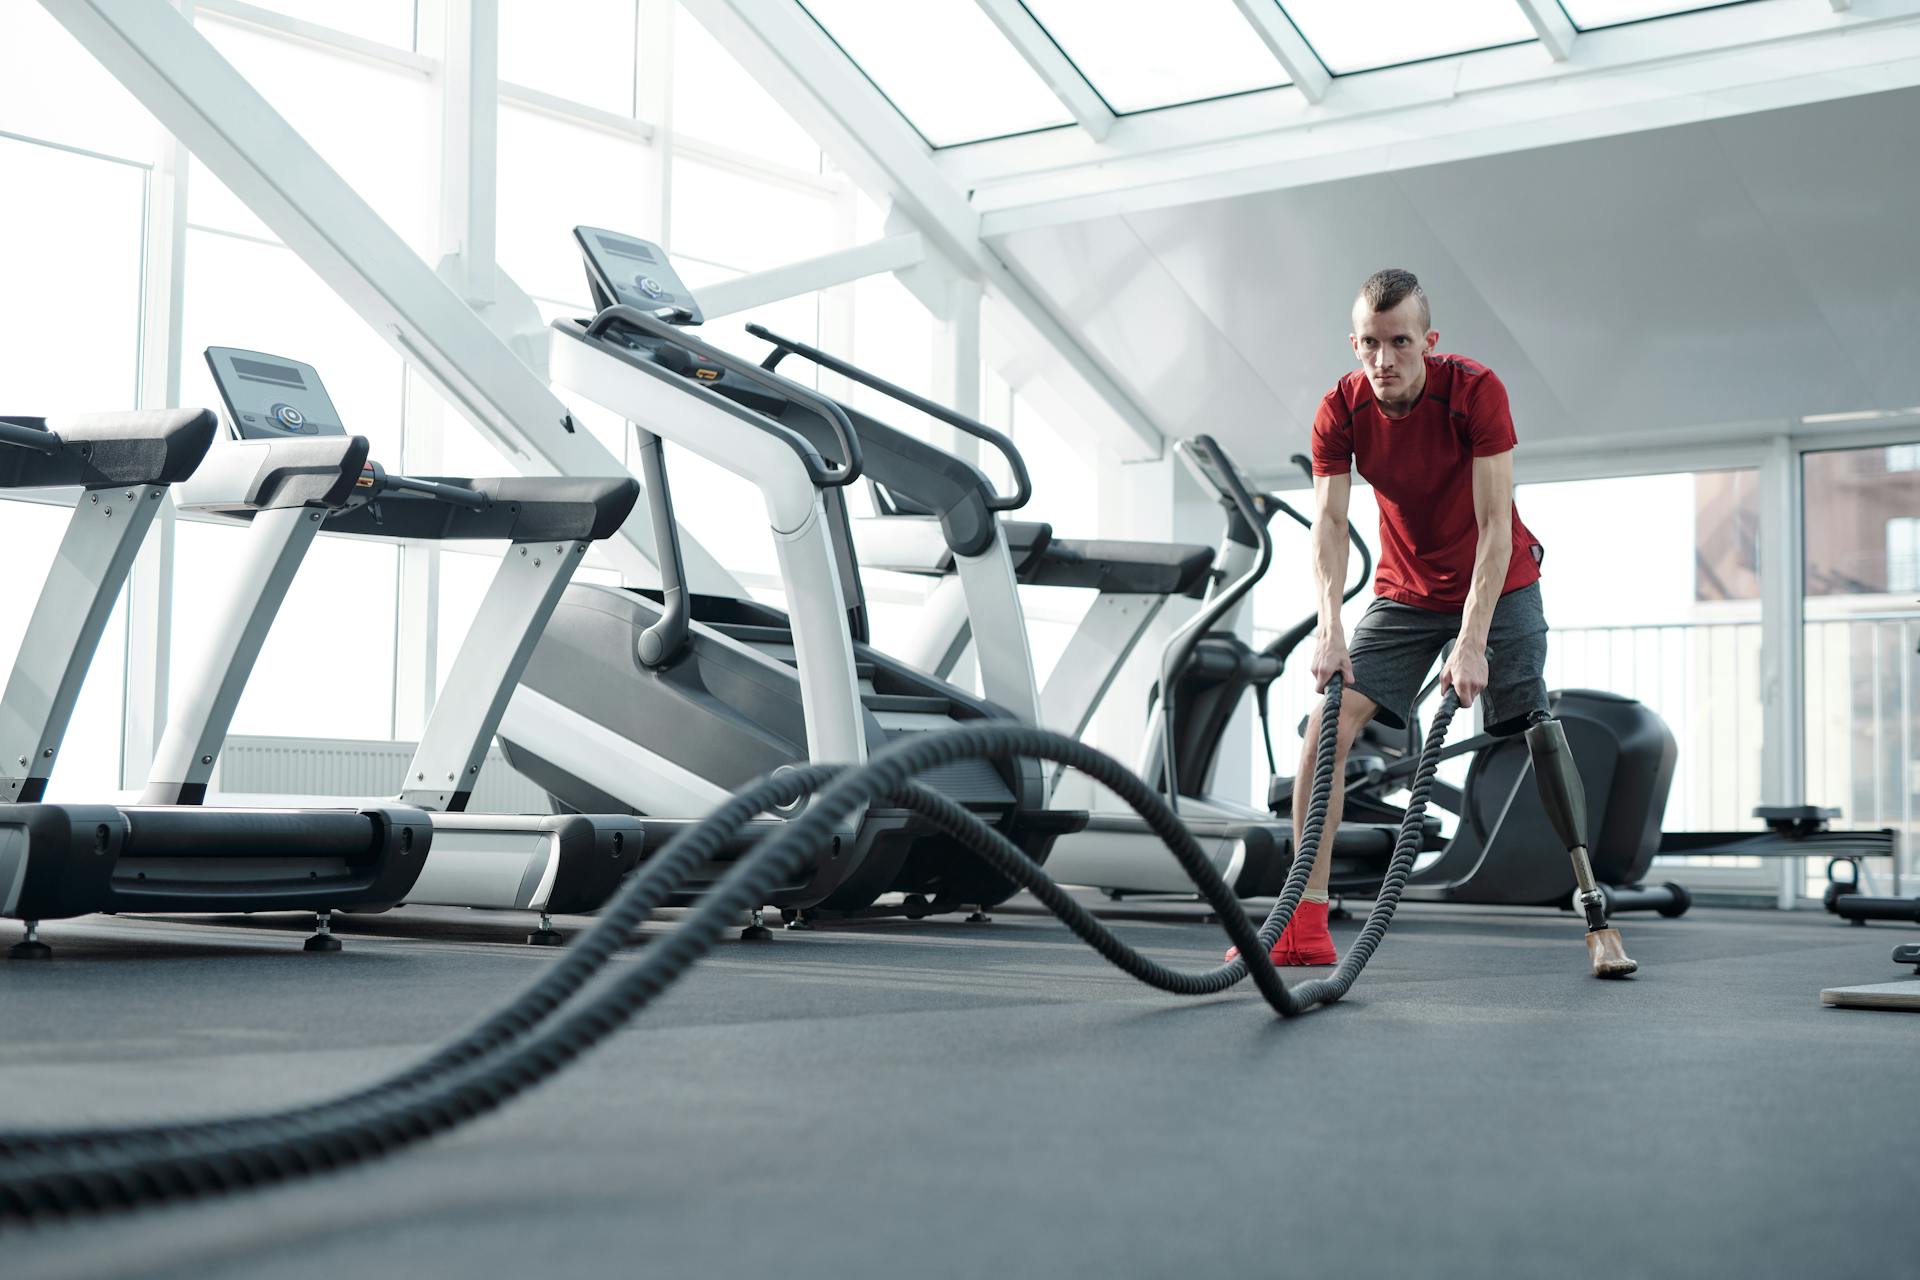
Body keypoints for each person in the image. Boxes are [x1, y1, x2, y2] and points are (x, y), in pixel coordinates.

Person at [1231, 268, 1550, 967]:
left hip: (1501, 581)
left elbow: (1496, 526)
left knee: (1534, 730)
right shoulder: (1340, 410)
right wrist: (1330, 630)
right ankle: (1302, 923)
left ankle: (1591, 896)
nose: (1384, 360)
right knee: (1324, 730)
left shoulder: (1474, 392)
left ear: (1428, 342)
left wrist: (1470, 644)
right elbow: (1330, 522)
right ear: (1354, 343)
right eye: (1370, 344)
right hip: (1405, 592)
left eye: (1400, 342)